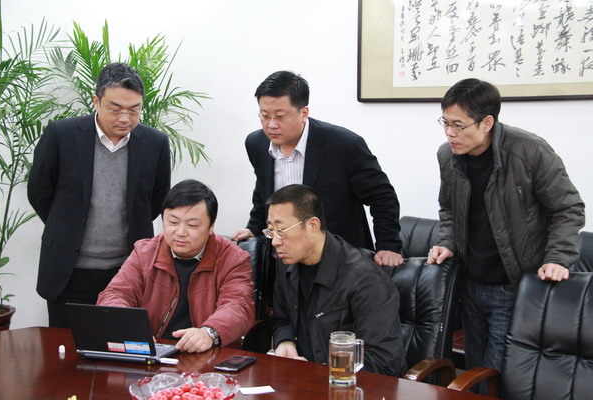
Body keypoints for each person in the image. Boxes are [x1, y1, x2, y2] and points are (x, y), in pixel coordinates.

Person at [427, 78, 585, 387]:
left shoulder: (530, 152)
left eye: (458, 125)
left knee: (497, 375)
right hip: (470, 284)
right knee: (474, 372)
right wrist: (447, 242)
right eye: (445, 123)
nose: (449, 133)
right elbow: (448, 209)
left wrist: (558, 258)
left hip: (514, 286)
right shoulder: (448, 156)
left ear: (487, 122)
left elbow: (569, 209)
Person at [28, 62, 171, 328]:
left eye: (134, 110)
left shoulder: (155, 143)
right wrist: (67, 226)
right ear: (96, 101)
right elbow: (40, 192)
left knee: (122, 346)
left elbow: (156, 200)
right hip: (70, 272)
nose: (125, 118)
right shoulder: (62, 134)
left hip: (127, 271)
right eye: (115, 109)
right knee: (67, 347)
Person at [231, 71, 403, 267]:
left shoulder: (344, 145)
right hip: (284, 255)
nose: (271, 125)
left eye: (280, 116)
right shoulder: (256, 143)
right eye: (264, 116)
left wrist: (388, 245)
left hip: (339, 257)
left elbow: (382, 197)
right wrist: (254, 227)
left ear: (304, 113)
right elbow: (263, 190)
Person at [98, 179, 255, 352]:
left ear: (211, 226)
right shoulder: (145, 252)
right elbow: (115, 294)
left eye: (192, 225)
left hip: (207, 354)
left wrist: (209, 332)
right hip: (153, 350)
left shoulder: (233, 259)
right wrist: (129, 326)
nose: (180, 232)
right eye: (173, 222)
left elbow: (238, 305)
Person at [266, 184, 406, 376]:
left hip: (349, 385)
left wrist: (319, 373)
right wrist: (285, 342)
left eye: (281, 231)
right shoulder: (286, 263)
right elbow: (281, 318)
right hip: (300, 380)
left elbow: (383, 361)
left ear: (312, 226)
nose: (275, 241)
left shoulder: (365, 279)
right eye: (270, 231)